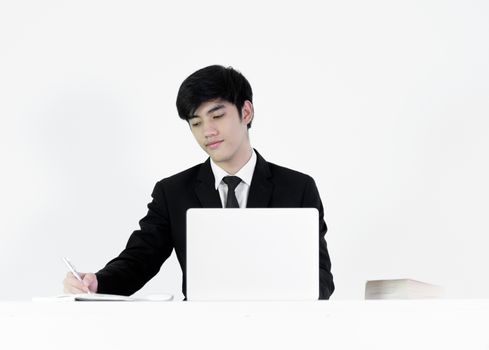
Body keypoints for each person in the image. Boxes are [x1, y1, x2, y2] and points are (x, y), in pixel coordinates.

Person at [63, 65, 335, 299]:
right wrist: (97, 282)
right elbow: (138, 261)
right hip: (199, 332)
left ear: (246, 112)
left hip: (282, 330)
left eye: (217, 116)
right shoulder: (173, 192)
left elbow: (322, 279)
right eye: (196, 123)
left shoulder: (297, 188)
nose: (208, 131)